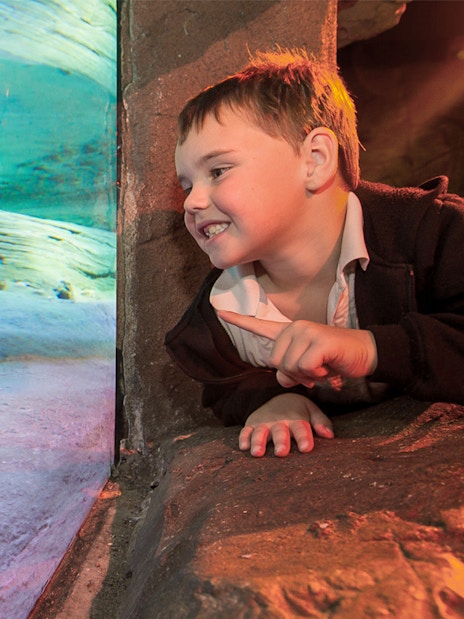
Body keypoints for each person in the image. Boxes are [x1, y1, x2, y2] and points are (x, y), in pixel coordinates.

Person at [165, 48, 464, 458]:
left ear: (316, 160)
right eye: (187, 185)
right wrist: (269, 400)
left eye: (218, 171)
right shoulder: (219, 314)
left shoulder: (434, 234)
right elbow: (226, 386)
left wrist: (370, 348)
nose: (192, 202)